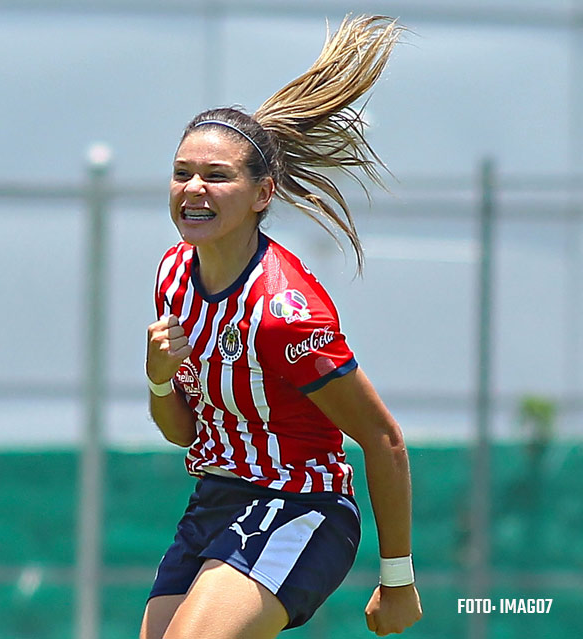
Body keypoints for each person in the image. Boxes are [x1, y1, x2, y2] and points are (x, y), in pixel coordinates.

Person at [141, 16, 422, 639]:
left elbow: (383, 439)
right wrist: (159, 381)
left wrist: (397, 578)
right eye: (183, 171)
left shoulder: (285, 314)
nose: (194, 188)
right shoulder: (172, 273)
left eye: (217, 176)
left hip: (300, 506)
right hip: (215, 500)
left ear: (263, 192)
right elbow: (183, 432)